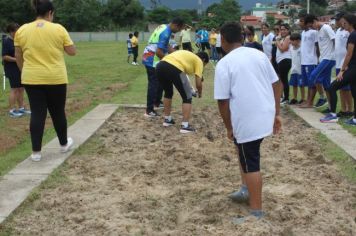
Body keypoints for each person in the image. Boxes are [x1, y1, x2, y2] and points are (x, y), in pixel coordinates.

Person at [214, 22, 281, 223]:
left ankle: (256, 213)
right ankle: (245, 190)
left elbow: (222, 102)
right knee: (243, 152)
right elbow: (277, 83)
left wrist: (228, 127)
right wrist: (277, 113)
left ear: (224, 40)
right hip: (264, 114)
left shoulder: (224, 63)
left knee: (251, 161)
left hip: (247, 119)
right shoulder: (258, 54)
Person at [14, 0, 76, 162]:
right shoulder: (58, 29)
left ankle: (36, 153)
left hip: (31, 78)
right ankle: (63, 145)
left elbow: (18, 56)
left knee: (37, 113)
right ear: (50, 13)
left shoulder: (22, 30)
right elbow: (72, 52)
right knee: (57, 111)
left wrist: (24, 71)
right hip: (55, 78)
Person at [156, 50, 209, 133]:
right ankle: (185, 126)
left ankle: (167, 120)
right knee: (187, 97)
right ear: (203, 60)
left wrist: (191, 89)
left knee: (168, 93)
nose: (203, 67)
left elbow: (184, 76)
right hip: (173, 67)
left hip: (160, 66)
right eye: (204, 65)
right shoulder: (199, 61)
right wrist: (200, 93)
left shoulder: (188, 57)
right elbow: (198, 83)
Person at [142, 18, 184, 117]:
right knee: (153, 84)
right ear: (176, 25)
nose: (178, 32)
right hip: (152, 60)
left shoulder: (164, 26)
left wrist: (177, 54)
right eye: (179, 29)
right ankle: (149, 110)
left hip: (149, 56)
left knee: (161, 80)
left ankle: (157, 101)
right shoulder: (166, 33)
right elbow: (159, 52)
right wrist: (169, 61)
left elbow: (166, 45)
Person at [320, 14, 356, 125]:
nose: (342, 24)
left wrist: (342, 70)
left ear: (350, 23)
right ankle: (355, 119)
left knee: (331, 88)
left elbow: (349, 55)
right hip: (353, 68)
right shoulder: (352, 34)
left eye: (345, 22)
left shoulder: (353, 35)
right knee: (354, 93)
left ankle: (332, 115)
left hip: (353, 68)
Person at [2, 23, 31, 118]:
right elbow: (4, 56)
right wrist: (16, 59)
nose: (19, 33)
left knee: (21, 88)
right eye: (16, 31)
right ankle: (12, 110)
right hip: (11, 68)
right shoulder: (6, 41)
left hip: (20, 67)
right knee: (14, 89)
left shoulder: (18, 40)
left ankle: (21, 107)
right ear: (11, 32)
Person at [309, 17, 336, 110]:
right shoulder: (317, 31)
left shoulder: (326, 28)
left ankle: (322, 97)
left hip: (329, 58)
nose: (312, 27)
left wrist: (334, 54)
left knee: (313, 76)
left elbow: (334, 39)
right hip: (323, 58)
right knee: (326, 84)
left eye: (311, 25)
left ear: (315, 21)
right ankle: (330, 107)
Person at [335, 12, 353, 118]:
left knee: (347, 89)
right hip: (338, 63)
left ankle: (349, 109)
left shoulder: (348, 32)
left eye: (339, 20)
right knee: (341, 88)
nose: (337, 22)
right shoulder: (337, 31)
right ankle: (343, 109)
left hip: (345, 64)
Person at [300, 14, 319, 108]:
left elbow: (317, 46)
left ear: (307, 23)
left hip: (311, 61)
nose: (300, 23)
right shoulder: (303, 33)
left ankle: (310, 102)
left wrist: (318, 59)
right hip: (304, 61)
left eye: (302, 21)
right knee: (307, 83)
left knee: (312, 82)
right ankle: (308, 101)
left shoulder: (314, 32)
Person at [276, 23, 292, 104]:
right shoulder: (283, 38)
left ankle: (286, 98)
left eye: (284, 29)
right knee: (283, 79)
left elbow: (283, 49)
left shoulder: (288, 38)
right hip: (281, 60)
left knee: (284, 79)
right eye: (281, 29)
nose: (282, 31)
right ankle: (285, 98)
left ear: (288, 30)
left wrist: (277, 41)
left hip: (285, 60)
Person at [289, 33, 305, 104]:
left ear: (298, 41)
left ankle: (303, 98)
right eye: (291, 40)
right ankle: (294, 98)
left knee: (301, 85)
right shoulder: (291, 48)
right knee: (294, 84)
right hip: (293, 69)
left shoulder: (302, 48)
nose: (291, 42)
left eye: (293, 40)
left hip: (300, 70)